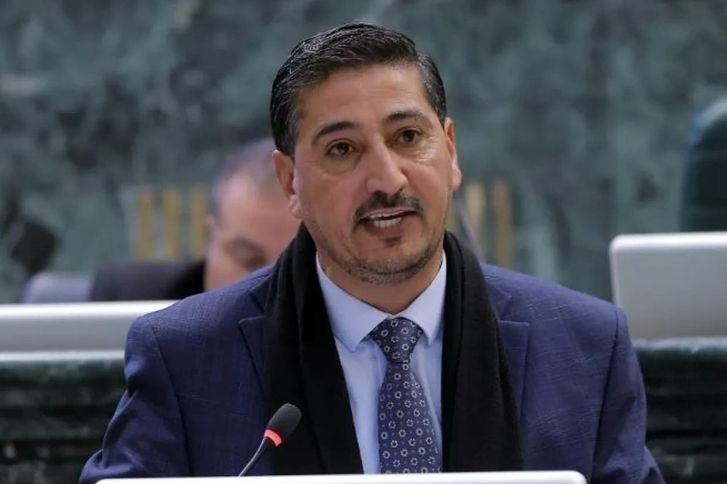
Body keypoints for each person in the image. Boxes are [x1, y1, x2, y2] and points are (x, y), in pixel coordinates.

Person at [80, 24, 663, 483]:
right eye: (342, 149)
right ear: (290, 182)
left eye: (408, 138)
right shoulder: (185, 358)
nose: (387, 179)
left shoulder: (585, 346)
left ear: (451, 150)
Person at [88, 137, 300, 300]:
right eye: (248, 259)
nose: (271, 288)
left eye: (297, 265)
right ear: (209, 238)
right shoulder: (132, 297)